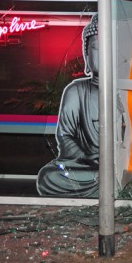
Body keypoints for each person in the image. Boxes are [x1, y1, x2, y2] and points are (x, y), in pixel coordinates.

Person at [36, 14, 99, 197]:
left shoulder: (124, 90)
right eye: (96, 48)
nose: (102, 53)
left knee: (117, 177)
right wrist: (86, 158)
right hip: (85, 166)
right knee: (47, 177)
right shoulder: (76, 90)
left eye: (108, 48)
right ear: (87, 55)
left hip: (114, 167)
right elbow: (64, 135)